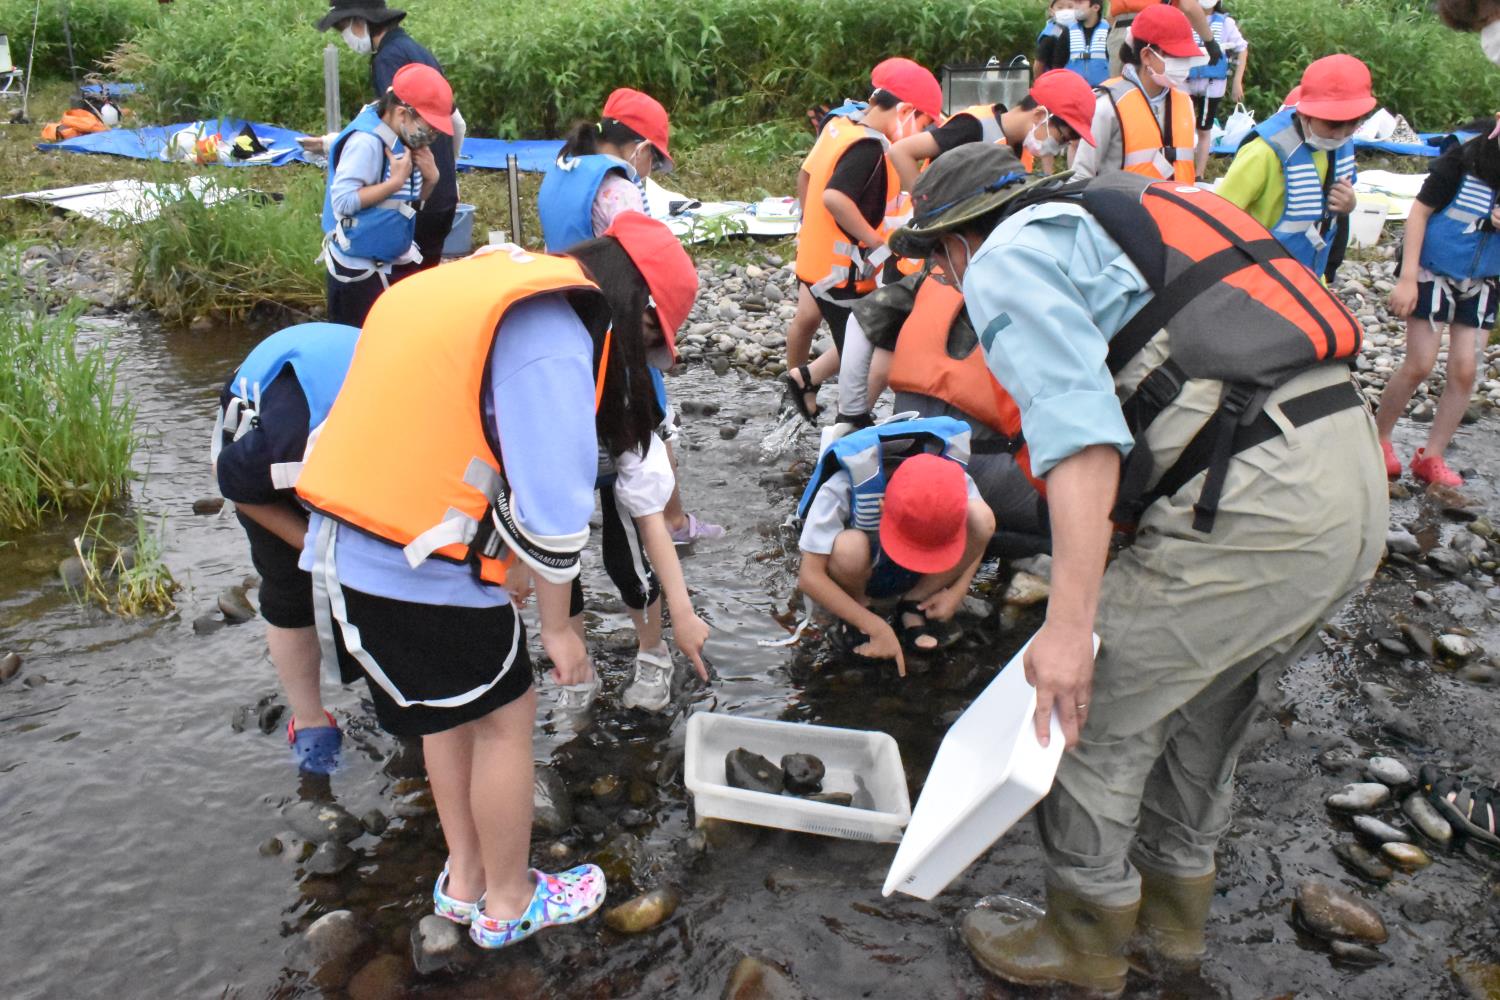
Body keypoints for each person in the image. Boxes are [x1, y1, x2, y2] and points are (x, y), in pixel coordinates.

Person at [887, 143, 1384, 995]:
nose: (943, 277)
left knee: (1084, 717)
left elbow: (1081, 437)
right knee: (1201, 719)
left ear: (957, 242)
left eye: (937, 260)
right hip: (1349, 487)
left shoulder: (1004, 257)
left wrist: (1068, 627)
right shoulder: (1129, 210)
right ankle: (1170, 932)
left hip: (1254, 505)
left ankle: (1084, 945)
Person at [294, 216, 698, 950]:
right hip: (428, 567)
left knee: (448, 717)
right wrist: (558, 628)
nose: (643, 362)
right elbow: (554, 509)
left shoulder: (468, 282)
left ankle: (465, 879)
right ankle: (511, 902)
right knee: (507, 719)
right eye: (650, 344)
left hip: (351, 556)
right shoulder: (554, 330)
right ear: (639, 311)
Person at [536, 89, 724, 545]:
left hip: (566, 314)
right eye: (654, 159)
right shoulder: (617, 187)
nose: (650, 170)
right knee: (655, 416)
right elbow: (639, 256)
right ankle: (672, 525)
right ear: (639, 148)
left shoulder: (564, 168)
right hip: (614, 317)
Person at [553, 212, 712, 714]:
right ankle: (574, 667)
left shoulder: (622, 377)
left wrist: (683, 613)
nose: (648, 347)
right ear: (632, 299)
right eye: (650, 331)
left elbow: (648, 512)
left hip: (607, 446)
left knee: (627, 555)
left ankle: (652, 651)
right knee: (556, 558)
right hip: (549, 463)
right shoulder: (549, 328)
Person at [213, 323, 360, 775]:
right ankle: (309, 718)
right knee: (289, 586)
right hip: (266, 429)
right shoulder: (280, 445)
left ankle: (399, 693)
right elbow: (235, 487)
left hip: (344, 407)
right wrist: (316, 549)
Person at [783, 57, 941, 425]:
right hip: (842, 277)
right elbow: (835, 198)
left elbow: (806, 177)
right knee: (871, 344)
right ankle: (849, 422)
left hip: (817, 264)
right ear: (906, 111)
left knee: (853, 338)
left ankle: (806, 381)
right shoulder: (869, 148)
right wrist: (876, 244)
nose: (922, 135)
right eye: (924, 124)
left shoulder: (840, 126)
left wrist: (809, 229)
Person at [797, 423, 996, 669]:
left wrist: (957, 592)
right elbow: (809, 577)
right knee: (849, 547)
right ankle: (860, 607)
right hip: (863, 568)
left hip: (914, 579)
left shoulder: (950, 482)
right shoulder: (840, 487)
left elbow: (982, 534)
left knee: (983, 518)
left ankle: (914, 601)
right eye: (912, 548)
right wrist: (876, 627)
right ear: (883, 508)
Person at [1374, 128, 1500, 487]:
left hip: (1483, 281)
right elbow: (1418, 214)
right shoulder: (1462, 159)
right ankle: (1379, 439)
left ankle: (1432, 456)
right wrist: (1407, 278)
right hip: (1432, 271)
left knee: (1465, 370)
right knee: (1420, 364)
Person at [315, 0, 464, 271]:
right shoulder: (415, 49)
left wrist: (333, 143)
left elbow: (393, 131)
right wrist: (446, 173)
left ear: (360, 22)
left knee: (402, 285)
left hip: (415, 201)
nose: (345, 37)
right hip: (441, 194)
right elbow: (457, 122)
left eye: (343, 28)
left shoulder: (387, 59)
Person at [1218, 55, 1373, 280]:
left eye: (1352, 124)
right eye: (1332, 124)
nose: (1340, 134)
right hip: (1260, 277)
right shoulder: (1263, 153)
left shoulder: (1340, 147)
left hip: (1310, 275)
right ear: (1304, 114)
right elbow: (1218, 216)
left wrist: (1349, 204)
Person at [319, 63, 451, 326]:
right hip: (357, 276)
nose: (432, 136)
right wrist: (394, 183)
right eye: (429, 128)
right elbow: (343, 201)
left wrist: (431, 179)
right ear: (402, 113)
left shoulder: (403, 138)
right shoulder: (366, 143)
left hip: (391, 263)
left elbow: (406, 203)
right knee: (357, 346)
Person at [889, 69, 1097, 193]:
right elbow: (901, 151)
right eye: (1062, 138)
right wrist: (925, 210)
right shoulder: (973, 126)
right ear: (1040, 115)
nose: (1059, 148)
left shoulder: (1018, 149)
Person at [1073, 4, 1203, 184]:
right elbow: (1080, 176)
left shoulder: (1185, 103)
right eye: (1175, 56)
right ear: (1147, 55)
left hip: (1177, 201)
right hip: (1122, 202)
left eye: (1186, 58)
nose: (1183, 65)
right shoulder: (1108, 105)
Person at [1184, 0, 1248, 179]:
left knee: (1204, 129)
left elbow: (1242, 48)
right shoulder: (1185, 18)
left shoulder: (1226, 23)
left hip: (1212, 85)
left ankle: (1198, 174)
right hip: (1185, 81)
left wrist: (1237, 81)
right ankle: (1182, 168)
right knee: (1183, 126)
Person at [1107, 0, 1217, 78]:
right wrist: (1209, 41)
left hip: (1119, 29)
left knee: (1119, 90)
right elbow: (1189, 6)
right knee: (1154, 92)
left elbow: (1109, 15)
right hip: (1155, 27)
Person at [1036, 0, 1111, 86]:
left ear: (1095, 7)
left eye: (1080, 2)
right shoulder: (1068, 32)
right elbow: (1057, 66)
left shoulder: (1108, 31)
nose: (1075, 6)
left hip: (1104, 89)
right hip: (1073, 89)